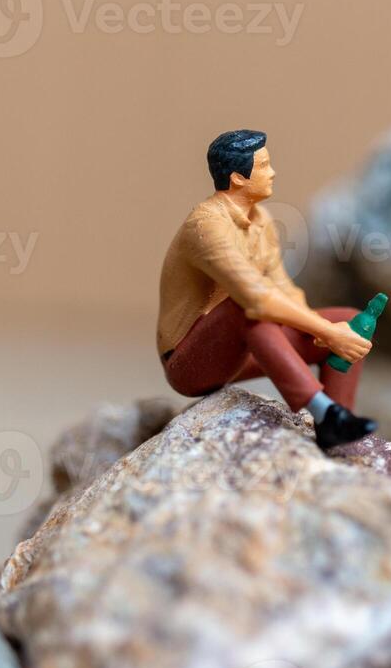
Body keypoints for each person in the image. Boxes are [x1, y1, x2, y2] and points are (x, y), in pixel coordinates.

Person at [156, 129, 376, 449]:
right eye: (263, 166)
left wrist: (320, 329)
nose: (272, 172)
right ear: (237, 178)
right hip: (192, 361)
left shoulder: (261, 220)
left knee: (348, 318)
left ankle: (337, 427)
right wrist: (327, 332)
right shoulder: (206, 226)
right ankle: (323, 411)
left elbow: (283, 288)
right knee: (244, 308)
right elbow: (255, 298)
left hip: (246, 345)